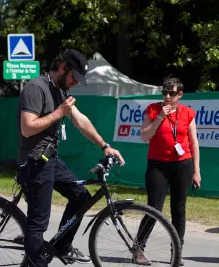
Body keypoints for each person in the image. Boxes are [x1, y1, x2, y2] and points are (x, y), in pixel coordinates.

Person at [17, 48, 125, 267]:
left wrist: (105, 146)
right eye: (75, 77)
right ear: (62, 67)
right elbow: (27, 128)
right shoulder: (36, 88)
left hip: (50, 160)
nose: (76, 82)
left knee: (81, 197)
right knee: (38, 225)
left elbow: (80, 120)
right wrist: (58, 113)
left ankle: (61, 247)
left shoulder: (59, 90)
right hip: (35, 162)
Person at [132, 77, 201, 266]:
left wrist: (197, 171)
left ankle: (176, 253)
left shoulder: (188, 113)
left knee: (179, 210)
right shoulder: (154, 109)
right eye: (164, 92)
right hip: (158, 166)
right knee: (153, 209)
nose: (167, 97)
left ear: (180, 95)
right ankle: (138, 249)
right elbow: (144, 136)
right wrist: (160, 117)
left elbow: (194, 143)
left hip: (182, 165)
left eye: (171, 93)